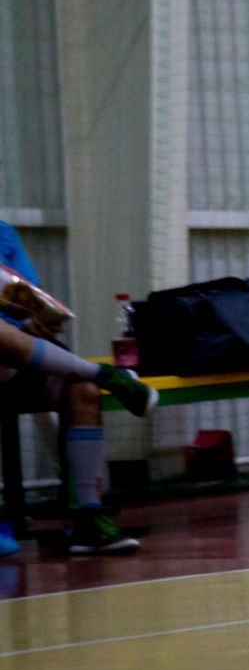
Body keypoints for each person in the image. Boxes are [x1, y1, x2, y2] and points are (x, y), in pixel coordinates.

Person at [0, 220, 157, 558]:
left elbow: (29, 296)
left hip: (19, 359)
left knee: (82, 391)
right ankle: (105, 375)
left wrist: (36, 316)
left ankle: (89, 519)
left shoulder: (4, 233)